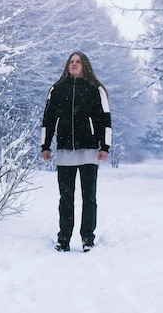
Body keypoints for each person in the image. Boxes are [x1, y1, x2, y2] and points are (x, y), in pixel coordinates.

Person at [41, 51, 112, 252]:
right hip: (64, 151)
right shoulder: (57, 89)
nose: (74, 64)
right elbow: (47, 120)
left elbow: (105, 119)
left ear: (84, 65)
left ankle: (87, 238)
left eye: (78, 61)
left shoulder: (95, 89)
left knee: (89, 197)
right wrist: (45, 146)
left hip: (89, 151)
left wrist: (104, 147)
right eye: (71, 61)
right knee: (66, 198)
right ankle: (63, 238)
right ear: (67, 65)